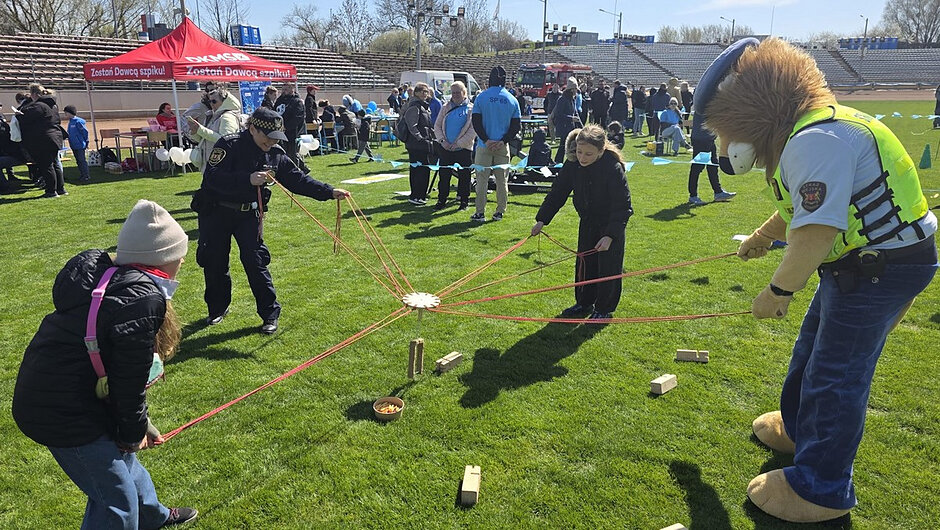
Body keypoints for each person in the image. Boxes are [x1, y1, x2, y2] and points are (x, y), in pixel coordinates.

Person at [701, 37, 938, 523]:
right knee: (810, 354)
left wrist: (778, 290)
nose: (725, 147)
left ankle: (821, 488)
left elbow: (816, 231)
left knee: (837, 374)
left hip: (879, 269)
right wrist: (766, 234)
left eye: (724, 130)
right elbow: (809, 208)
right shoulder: (812, 131)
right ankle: (796, 430)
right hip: (861, 265)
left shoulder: (815, 140)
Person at [12, 199, 197, 528]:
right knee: (116, 503)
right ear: (159, 259)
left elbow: (116, 370)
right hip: (59, 411)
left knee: (127, 467)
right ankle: (139, 516)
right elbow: (128, 381)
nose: (183, 259)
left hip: (69, 393)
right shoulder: (142, 299)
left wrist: (139, 427)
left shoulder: (115, 280)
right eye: (177, 253)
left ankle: (152, 517)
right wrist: (131, 432)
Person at [191, 108, 350, 334]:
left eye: (276, 137)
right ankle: (217, 309)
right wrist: (246, 179)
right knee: (215, 262)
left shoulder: (275, 153)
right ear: (253, 129)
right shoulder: (229, 144)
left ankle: (269, 314)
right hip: (216, 212)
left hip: (249, 215)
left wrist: (329, 191)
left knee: (256, 262)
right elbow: (212, 178)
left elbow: (298, 180)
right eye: (268, 136)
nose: (272, 141)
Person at [531, 125, 633, 320]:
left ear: (601, 151)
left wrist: (610, 236)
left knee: (608, 267)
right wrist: (541, 220)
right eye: (579, 152)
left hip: (609, 225)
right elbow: (557, 194)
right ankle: (584, 303)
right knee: (585, 264)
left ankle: (604, 309)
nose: (582, 158)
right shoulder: (572, 165)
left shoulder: (612, 168)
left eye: (588, 154)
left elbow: (623, 206)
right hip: (588, 222)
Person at [470, 66, 521, 222]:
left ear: (489, 79)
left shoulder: (481, 97)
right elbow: (516, 126)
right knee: (502, 180)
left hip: (484, 146)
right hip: (502, 146)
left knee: (482, 179)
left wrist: (486, 140)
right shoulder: (512, 99)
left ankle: (480, 212)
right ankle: (500, 211)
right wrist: (502, 141)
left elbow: (476, 122)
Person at [432, 80, 475, 210]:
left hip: (464, 149)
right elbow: (437, 126)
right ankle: (441, 200)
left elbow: (473, 130)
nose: (455, 95)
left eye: (458, 92)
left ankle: (463, 202)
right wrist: (443, 142)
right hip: (445, 148)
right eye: (453, 92)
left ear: (464, 93)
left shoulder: (471, 109)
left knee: (464, 176)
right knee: (444, 176)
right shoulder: (445, 107)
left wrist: (458, 144)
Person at [18, 83, 64, 197]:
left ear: (33, 94)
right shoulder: (53, 105)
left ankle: (51, 191)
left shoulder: (38, 105)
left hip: (44, 139)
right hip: (55, 137)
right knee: (55, 164)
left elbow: (24, 116)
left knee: (46, 165)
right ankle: (60, 189)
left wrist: (20, 112)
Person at [185, 86, 242, 173]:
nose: (211, 104)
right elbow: (203, 139)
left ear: (224, 102)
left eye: (214, 101)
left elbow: (225, 140)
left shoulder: (228, 117)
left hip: (222, 163)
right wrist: (194, 131)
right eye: (209, 101)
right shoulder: (211, 115)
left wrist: (200, 129)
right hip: (210, 162)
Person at [401, 82, 434, 205]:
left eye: (426, 91)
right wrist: (420, 138)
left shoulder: (425, 106)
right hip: (416, 144)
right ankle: (416, 195)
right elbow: (412, 125)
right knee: (418, 170)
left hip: (423, 143)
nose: (425, 94)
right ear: (416, 93)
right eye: (422, 91)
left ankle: (421, 195)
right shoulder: (414, 106)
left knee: (423, 169)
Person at [687, 127, 735, 206]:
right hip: (701, 140)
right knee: (697, 168)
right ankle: (693, 196)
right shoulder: (702, 113)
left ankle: (718, 192)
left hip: (709, 139)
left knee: (713, 166)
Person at [274, 82, 308, 172]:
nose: (284, 91)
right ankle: (303, 169)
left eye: (286, 89)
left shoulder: (297, 102)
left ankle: (295, 171)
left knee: (292, 154)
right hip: (280, 131)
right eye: (283, 89)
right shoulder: (279, 101)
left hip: (293, 132)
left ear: (292, 89)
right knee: (282, 152)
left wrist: (287, 127)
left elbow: (298, 118)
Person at [551, 81, 582, 163]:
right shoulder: (562, 99)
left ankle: (569, 161)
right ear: (571, 90)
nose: (576, 91)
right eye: (575, 89)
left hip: (570, 127)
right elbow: (559, 114)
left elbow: (574, 112)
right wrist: (571, 118)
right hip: (563, 127)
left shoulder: (572, 99)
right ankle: (558, 162)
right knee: (563, 146)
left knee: (569, 146)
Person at [63, 105, 90, 182]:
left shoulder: (78, 121)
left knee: (82, 160)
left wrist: (86, 142)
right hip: (73, 144)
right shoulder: (70, 122)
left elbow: (85, 132)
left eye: (66, 113)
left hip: (80, 144)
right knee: (78, 161)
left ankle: (86, 175)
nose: (65, 114)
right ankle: (82, 174)